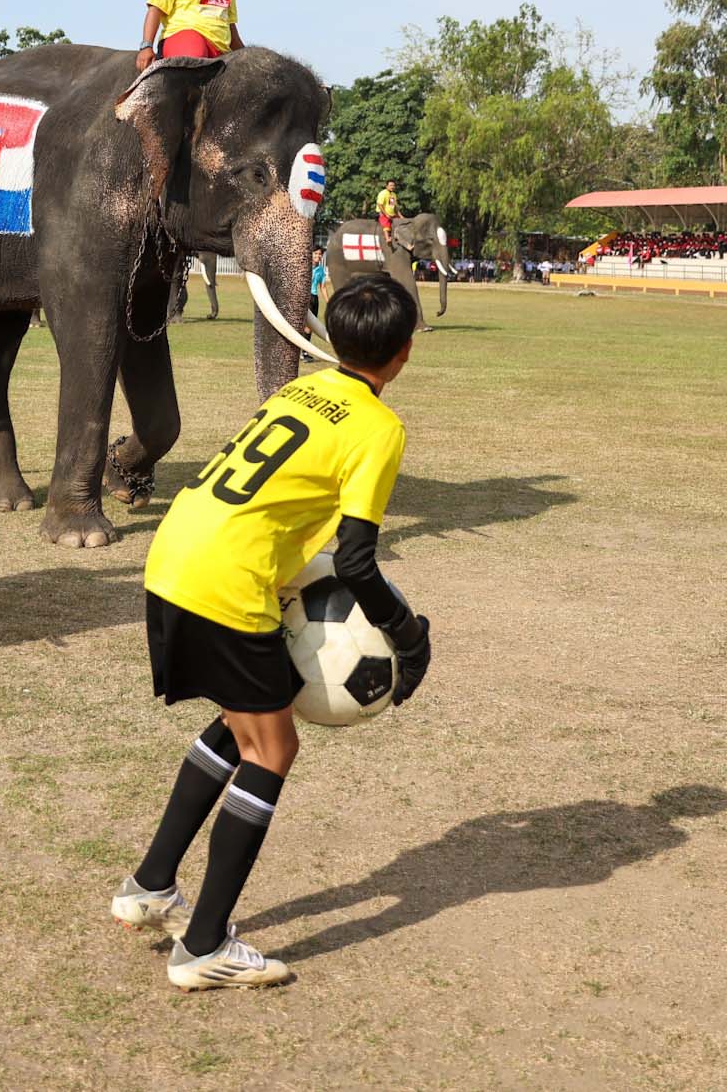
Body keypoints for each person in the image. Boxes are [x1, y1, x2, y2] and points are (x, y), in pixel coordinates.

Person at [111, 273, 432, 990]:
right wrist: (405, 634)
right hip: (228, 580)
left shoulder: (296, 390)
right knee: (273, 745)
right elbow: (355, 556)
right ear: (404, 352)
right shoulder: (380, 427)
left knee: (245, 721)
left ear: (326, 334)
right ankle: (202, 946)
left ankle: (150, 885)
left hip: (174, 555)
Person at [309, 245, 327, 317]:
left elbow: (323, 287)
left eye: (320, 254)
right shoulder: (304, 267)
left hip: (314, 298)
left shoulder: (321, 270)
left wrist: (328, 302)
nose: (318, 255)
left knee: (313, 323)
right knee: (306, 325)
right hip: (305, 297)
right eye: (315, 253)